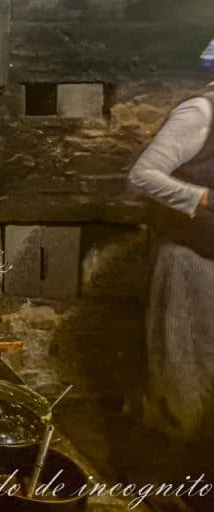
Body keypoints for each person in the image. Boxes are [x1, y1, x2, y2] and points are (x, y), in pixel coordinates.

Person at [127, 39, 214, 441]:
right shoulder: (199, 113)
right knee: (185, 370)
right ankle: (174, 477)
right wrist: (202, 198)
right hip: (186, 261)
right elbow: (142, 175)